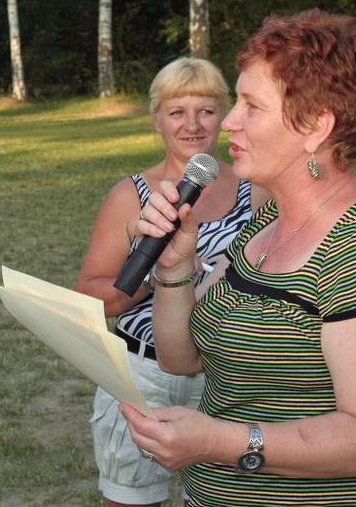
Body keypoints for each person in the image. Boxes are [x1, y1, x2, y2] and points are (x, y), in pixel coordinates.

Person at [120, 9, 356, 506]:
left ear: (316, 126)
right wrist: (176, 268)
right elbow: (181, 358)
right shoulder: (267, 218)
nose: (228, 122)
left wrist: (218, 442)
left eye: (251, 106)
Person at [75, 57, 270, 507]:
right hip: (144, 376)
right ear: (157, 120)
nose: (193, 125)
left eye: (206, 110)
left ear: (224, 116)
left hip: (225, 374)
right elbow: (92, 298)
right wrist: (159, 271)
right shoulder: (129, 196)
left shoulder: (257, 189)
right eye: (177, 112)